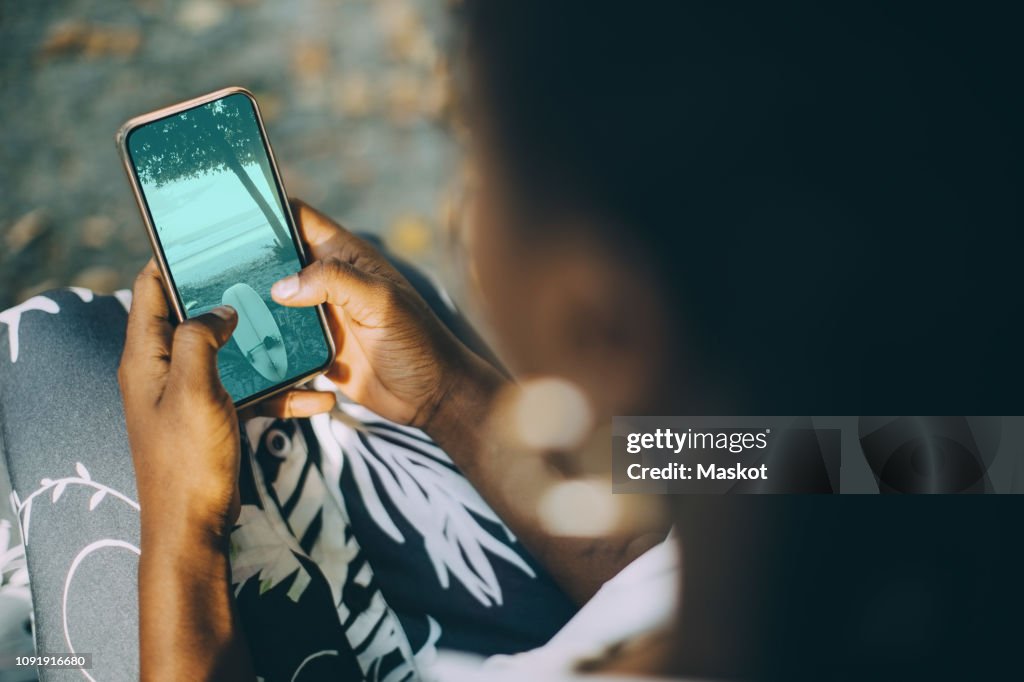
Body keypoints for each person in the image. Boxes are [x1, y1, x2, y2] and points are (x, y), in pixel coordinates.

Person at [4, 1, 1022, 680]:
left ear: (603, 318)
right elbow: (709, 479)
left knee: (49, 359)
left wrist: (181, 534)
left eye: (480, 152)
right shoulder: (940, 452)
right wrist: (443, 396)